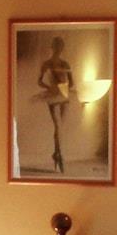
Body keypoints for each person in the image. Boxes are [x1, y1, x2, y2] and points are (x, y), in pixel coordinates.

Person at [34, 36, 73, 173]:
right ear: (53, 48)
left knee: (60, 127)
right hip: (53, 96)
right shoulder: (47, 64)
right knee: (58, 125)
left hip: (64, 96)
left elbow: (72, 83)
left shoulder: (65, 64)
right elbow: (39, 81)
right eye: (57, 47)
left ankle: (56, 153)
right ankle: (59, 154)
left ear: (61, 48)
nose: (58, 50)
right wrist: (50, 88)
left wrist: (63, 88)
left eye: (60, 47)